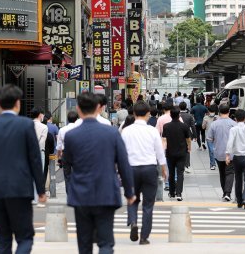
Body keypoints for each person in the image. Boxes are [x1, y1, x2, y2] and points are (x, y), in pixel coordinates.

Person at [0, 84, 47, 254]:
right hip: (20, 189)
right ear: (18, 103)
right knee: (25, 237)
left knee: (2, 239)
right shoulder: (26, 125)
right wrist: (41, 190)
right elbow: (35, 159)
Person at [62, 92, 136, 254]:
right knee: (106, 243)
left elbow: (66, 163)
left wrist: (70, 186)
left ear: (78, 109)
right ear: (98, 108)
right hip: (106, 192)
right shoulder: (111, 133)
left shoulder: (71, 135)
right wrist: (130, 193)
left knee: (84, 244)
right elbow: (123, 164)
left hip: (81, 194)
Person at [121, 101, 167, 245]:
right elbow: (159, 152)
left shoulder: (126, 131)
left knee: (132, 199)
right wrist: (164, 168)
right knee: (148, 204)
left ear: (134, 114)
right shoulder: (152, 130)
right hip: (149, 169)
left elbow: (121, 152)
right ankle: (144, 237)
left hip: (131, 169)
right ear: (148, 114)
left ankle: (133, 222)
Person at [225, 109, 245, 209]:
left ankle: (238, 200)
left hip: (237, 158)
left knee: (238, 179)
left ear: (235, 119)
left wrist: (228, 155)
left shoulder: (233, 129)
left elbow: (230, 143)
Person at [207, 104, 237, 201]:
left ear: (219, 112)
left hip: (218, 152)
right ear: (229, 112)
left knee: (222, 173)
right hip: (231, 154)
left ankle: (225, 192)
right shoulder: (234, 124)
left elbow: (209, 138)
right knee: (230, 172)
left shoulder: (214, 124)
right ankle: (227, 193)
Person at [163, 107, 191, 201]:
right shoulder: (184, 126)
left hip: (170, 153)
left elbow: (164, 140)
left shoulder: (166, 126)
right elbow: (188, 139)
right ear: (179, 115)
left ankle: (171, 193)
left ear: (170, 115)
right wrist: (189, 147)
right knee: (180, 173)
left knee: (171, 173)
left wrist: (164, 149)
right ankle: (179, 193)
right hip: (182, 153)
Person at [30, 107, 48, 206]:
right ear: (40, 115)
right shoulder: (44, 127)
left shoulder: (27, 125)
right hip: (39, 152)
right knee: (39, 175)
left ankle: (32, 198)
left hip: (27, 152)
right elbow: (41, 142)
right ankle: (38, 198)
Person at [179, 102, 196, 172]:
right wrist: (195, 135)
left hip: (179, 134)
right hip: (188, 134)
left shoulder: (177, 115)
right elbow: (193, 126)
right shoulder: (189, 116)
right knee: (187, 149)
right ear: (186, 107)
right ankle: (186, 165)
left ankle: (180, 164)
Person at [203, 105, 218, 170]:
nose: (211, 112)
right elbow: (203, 127)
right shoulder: (205, 117)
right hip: (209, 137)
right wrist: (205, 123)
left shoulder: (218, 117)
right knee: (211, 151)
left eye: (213, 111)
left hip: (217, 136)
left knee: (216, 150)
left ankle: (218, 162)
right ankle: (212, 164)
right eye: (210, 111)